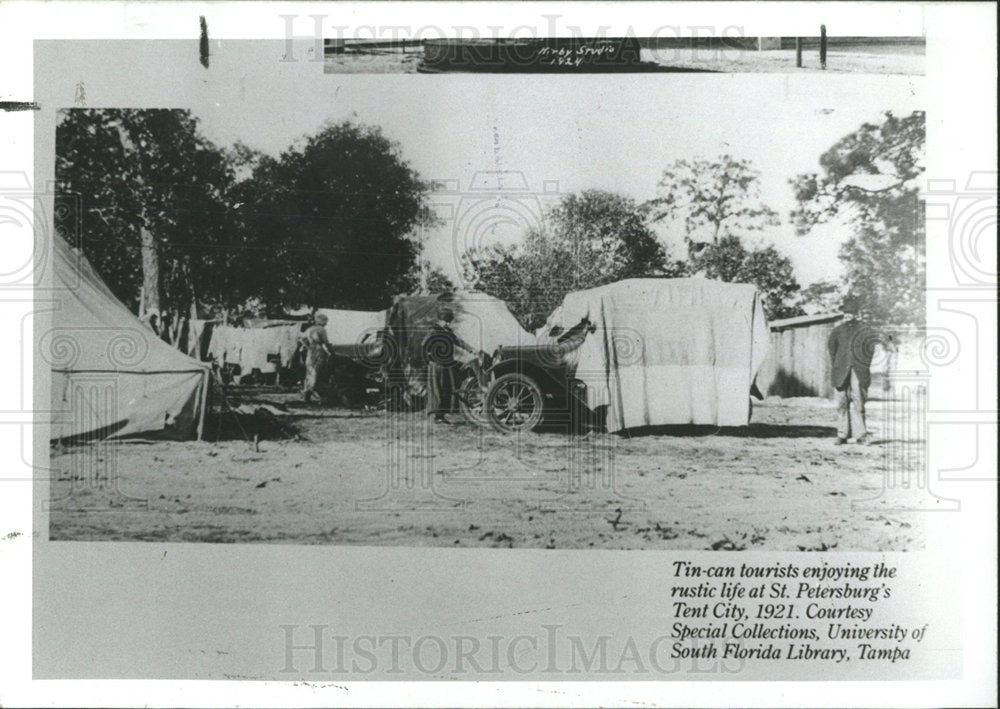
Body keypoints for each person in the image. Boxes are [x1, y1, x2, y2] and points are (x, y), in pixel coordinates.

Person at [827, 299, 877, 445]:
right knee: (841, 403)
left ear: (856, 314)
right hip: (841, 371)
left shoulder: (865, 330)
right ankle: (842, 434)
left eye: (851, 313)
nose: (848, 315)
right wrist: (838, 365)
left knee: (858, 403)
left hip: (858, 371)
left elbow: (870, 350)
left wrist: (862, 364)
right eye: (846, 313)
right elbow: (832, 350)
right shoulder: (837, 331)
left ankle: (861, 435)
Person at [423, 309, 473, 424]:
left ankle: (442, 414)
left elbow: (459, 342)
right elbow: (424, 345)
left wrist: (471, 349)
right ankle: (436, 416)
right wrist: (430, 360)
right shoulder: (434, 331)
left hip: (447, 363)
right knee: (437, 389)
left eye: (449, 321)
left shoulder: (448, 331)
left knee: (446, 388)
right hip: (436, 364)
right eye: (446, 321)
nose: (448, 323)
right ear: (440, 320)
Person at [300, 313, 334, 403]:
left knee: (309, 372)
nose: (326, 323)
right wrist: (331, 352)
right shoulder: (322, 330)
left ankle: (307, 394)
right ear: (322, 321)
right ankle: (320, 395)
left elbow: (301, 339)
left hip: (311, 351)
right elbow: (326, 342)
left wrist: (307, 346)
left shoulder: (309, 329)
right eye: (325, 321)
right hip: (319, 352)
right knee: (319, 373)